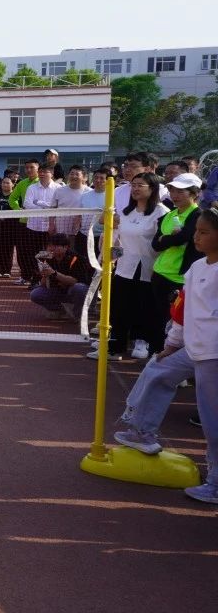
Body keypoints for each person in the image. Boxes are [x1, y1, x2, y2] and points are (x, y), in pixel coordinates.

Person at [112, 204, 218, 506]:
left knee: (213, 420)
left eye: (204, 232)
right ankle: (142, 432)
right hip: (193, 347)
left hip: (213, 355)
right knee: (157, 369)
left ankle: (215, 484)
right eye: (196, 231)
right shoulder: (197, 268)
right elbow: (183, 310)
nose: (196, 237)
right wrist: (171, 344)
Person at [93, 172, 168, 361]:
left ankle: (142, 340)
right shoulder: (126, 212)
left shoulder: (161, 212)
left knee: (144, 306)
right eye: (133, 185)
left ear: (152, 189)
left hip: (149, 268)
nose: (135, 189)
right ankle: (115, 345)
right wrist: (112, 258)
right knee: (120, 307)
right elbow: (119, 239)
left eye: (140, 185)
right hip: (124, 267)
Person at [148, 173, 204, 352]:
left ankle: (173, 356)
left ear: (194, 193)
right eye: (172, 190)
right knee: (158, 317)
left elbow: (184, 237)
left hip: (181, 278)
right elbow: (155, 244)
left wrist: (167, 239)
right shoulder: (169, 215)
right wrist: (169, 238)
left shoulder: (199, 215)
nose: (175, 195)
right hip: (160, 273)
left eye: (181, 191)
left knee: (177, 320)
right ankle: (156, 352)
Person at [29, 233, 94, 321]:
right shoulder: (46, 258)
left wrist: (54, 273)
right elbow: (43, 284)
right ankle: (60, 310)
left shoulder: (77, 258)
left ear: (66, 247)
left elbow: (75, 281)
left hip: (74, 291)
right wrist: (45, 275)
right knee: (35, 294)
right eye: (50, 246)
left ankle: (78, 315)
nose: (52, 248)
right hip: (58, 291)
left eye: (55, 246)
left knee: (79, 288)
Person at [19, 164, 62, 287]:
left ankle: (49, 280)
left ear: (51, 174)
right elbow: (27, 204)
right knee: (33, 255)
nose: (42, 174)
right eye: (40, 171)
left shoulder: (58, 188)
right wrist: (47, 206)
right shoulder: (32, 188)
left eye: (45, 172)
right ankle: (35, 280)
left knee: (48, 255)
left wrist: (38, 203)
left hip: (51, 229)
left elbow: (58, 206)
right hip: (33, 227)